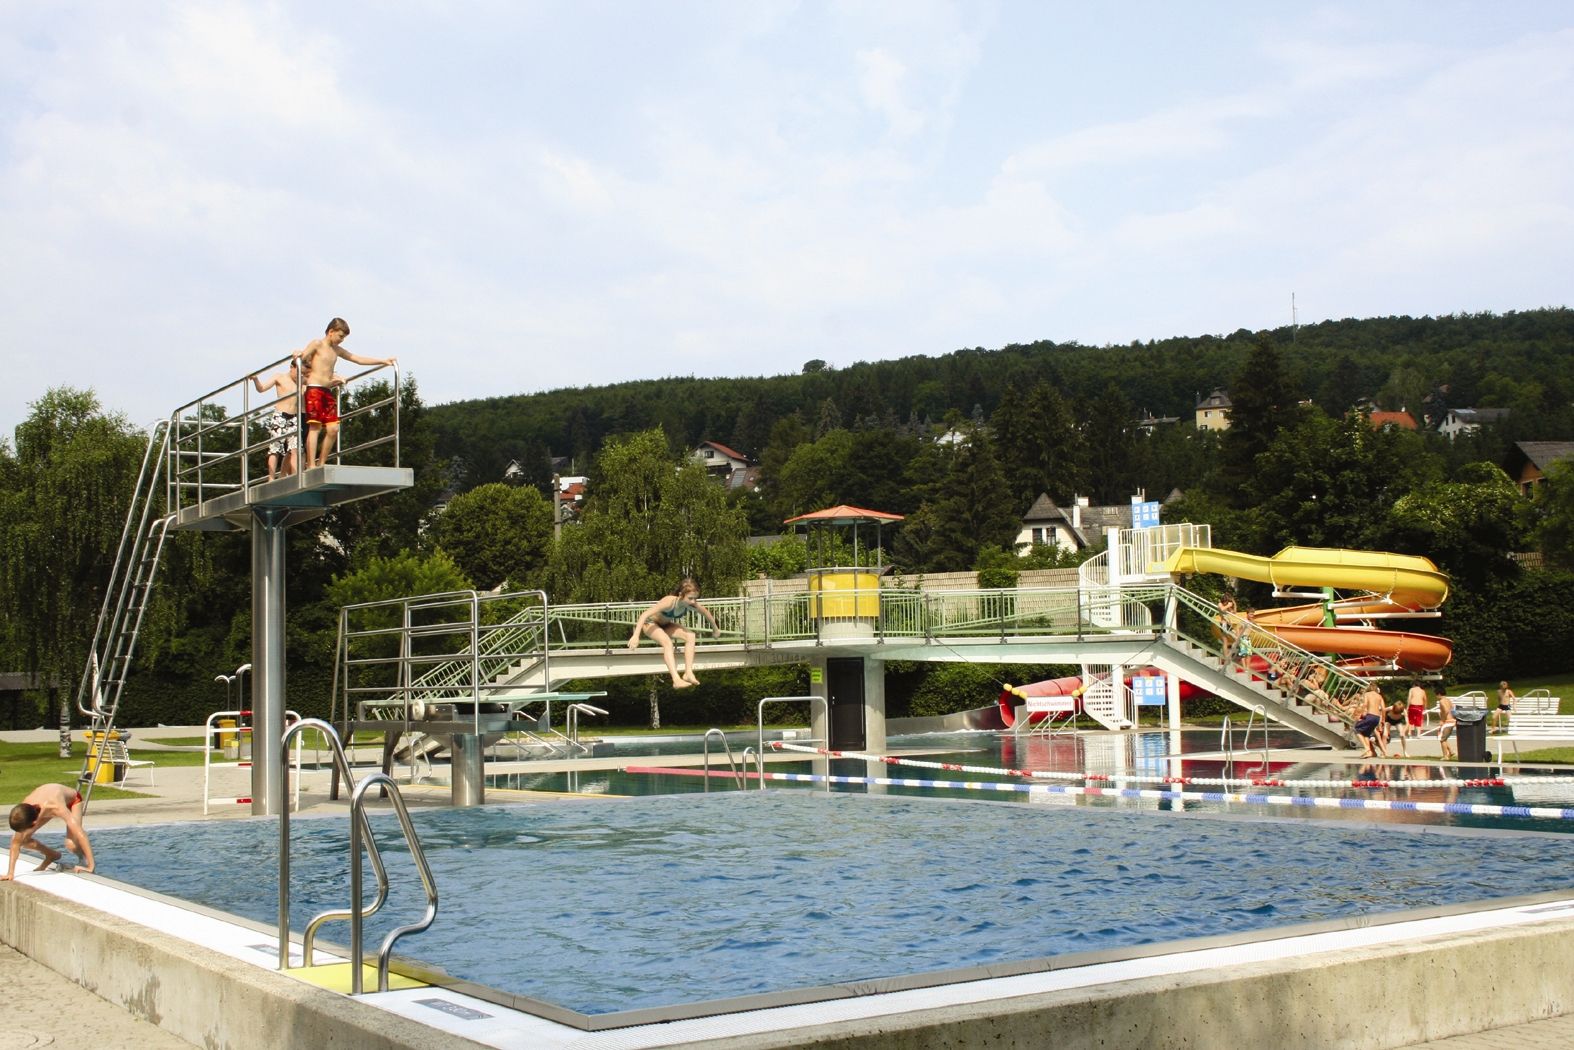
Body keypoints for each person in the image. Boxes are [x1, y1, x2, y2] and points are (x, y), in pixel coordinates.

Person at [294, 318, 396, 469]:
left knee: (333, 429)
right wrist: (297, 354)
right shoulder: (317, 344)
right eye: (340, 336)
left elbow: (357, 359)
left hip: (327, 390)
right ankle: (311, 465)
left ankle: (321, 462)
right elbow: (301, 359)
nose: (341, 340)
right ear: (331, 332)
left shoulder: (337, 350)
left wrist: (382, 361)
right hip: (314, 388)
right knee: (315, 427)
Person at [627, 578, 721, 688]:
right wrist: (636, 635)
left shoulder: (692, 605)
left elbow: (706, 614)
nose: (693, 602)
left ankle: (688, 673)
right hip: (650, 624)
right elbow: (644, 615)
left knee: (690, 636)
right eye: (690, 598)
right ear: (681, 595)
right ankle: (676, 679)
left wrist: (716, 629)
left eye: (695, 598)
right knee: (668, 643)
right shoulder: (669, 602)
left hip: (666, 625)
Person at [5, 783, 94, 879]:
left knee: (71, 844)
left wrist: (91, 866)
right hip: (45, 802)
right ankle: (51, 855)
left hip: (73, 802)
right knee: (21, 839)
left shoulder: (55, 806)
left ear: (34, 823)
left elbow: (80, 832)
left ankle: (83, 859)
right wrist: (10, 874)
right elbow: (15, 843)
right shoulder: (24, 810)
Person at [251, 359, 301, 480]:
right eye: (298, 371)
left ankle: (295, 476)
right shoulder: (279, 377)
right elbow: (262, 388)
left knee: (294, 449)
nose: (299, 374)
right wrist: (255, 379)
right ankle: (271, 478)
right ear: (291, 367)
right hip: (280, 416)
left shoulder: (300, 382)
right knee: (275, 448)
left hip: (294, 417)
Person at [1353, 682, 1387, 759]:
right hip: (1377, 718)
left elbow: (1364, 704)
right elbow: (1383, 709)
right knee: (1366, 733)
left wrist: (1358, 714)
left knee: (1356, 729)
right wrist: (1383, 720)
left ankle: (1367, 749)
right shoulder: (1379, 696)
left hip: (1370, 715)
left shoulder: (1367, 694)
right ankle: (1369, 752)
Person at [1437, 692, 1457, 760]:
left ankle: (1445, 756)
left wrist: (1442, 720)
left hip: (1447, 722)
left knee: (1442, 739)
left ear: (1439, 694)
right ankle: (1451, 751)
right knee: (1444, 738)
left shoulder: (1442, 701)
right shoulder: (1448, 700)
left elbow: (1446, 710)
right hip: (1452, 721)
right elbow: (1453, 708)